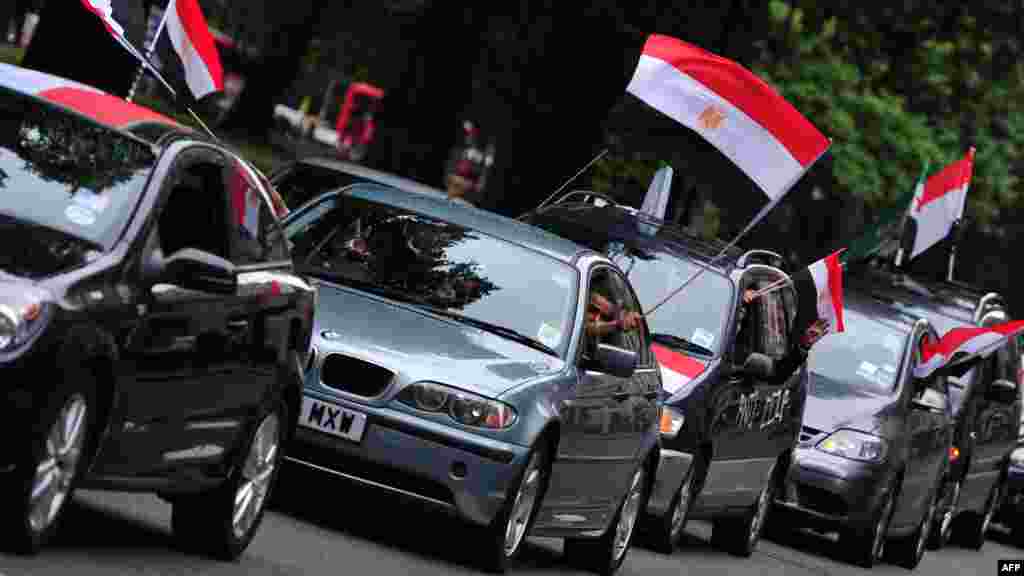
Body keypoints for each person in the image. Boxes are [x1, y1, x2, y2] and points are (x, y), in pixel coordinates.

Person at [738, 286, 828, 384]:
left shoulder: (747, 347)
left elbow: (778, 374)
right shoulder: (721, 347)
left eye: (742, 311)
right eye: (737, 311)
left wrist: (803, 345)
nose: (739, 315)